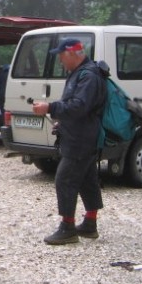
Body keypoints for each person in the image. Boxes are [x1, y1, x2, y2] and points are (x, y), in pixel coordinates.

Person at [31, 38, 107, 245]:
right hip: (80, 135)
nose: (60, 60)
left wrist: (50, 108)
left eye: (61, 55)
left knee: (64, 179)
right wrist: (61, 124)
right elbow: (77, 109)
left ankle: (68, 228)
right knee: (86, 179)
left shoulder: (88, 76)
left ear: (73, 53)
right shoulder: (80, 73)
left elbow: (79, 106)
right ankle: (90, 224)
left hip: (81, 139)